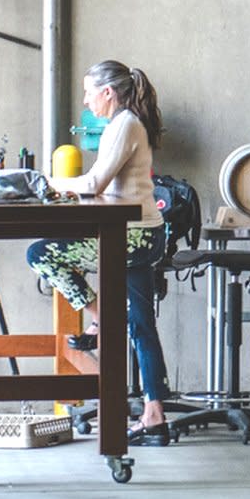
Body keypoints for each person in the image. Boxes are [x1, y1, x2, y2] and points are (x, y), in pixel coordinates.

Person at [26, 60, 170, 447]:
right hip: (140, 234)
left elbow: (93, 183)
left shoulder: (124, 124)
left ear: (109, 92)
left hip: (133, 238)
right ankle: (154, 416)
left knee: (41, 254)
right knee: (141, 326)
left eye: (90, 91)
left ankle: (98, 315)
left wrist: (39, 182)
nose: (85, 99)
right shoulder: (121, 124)